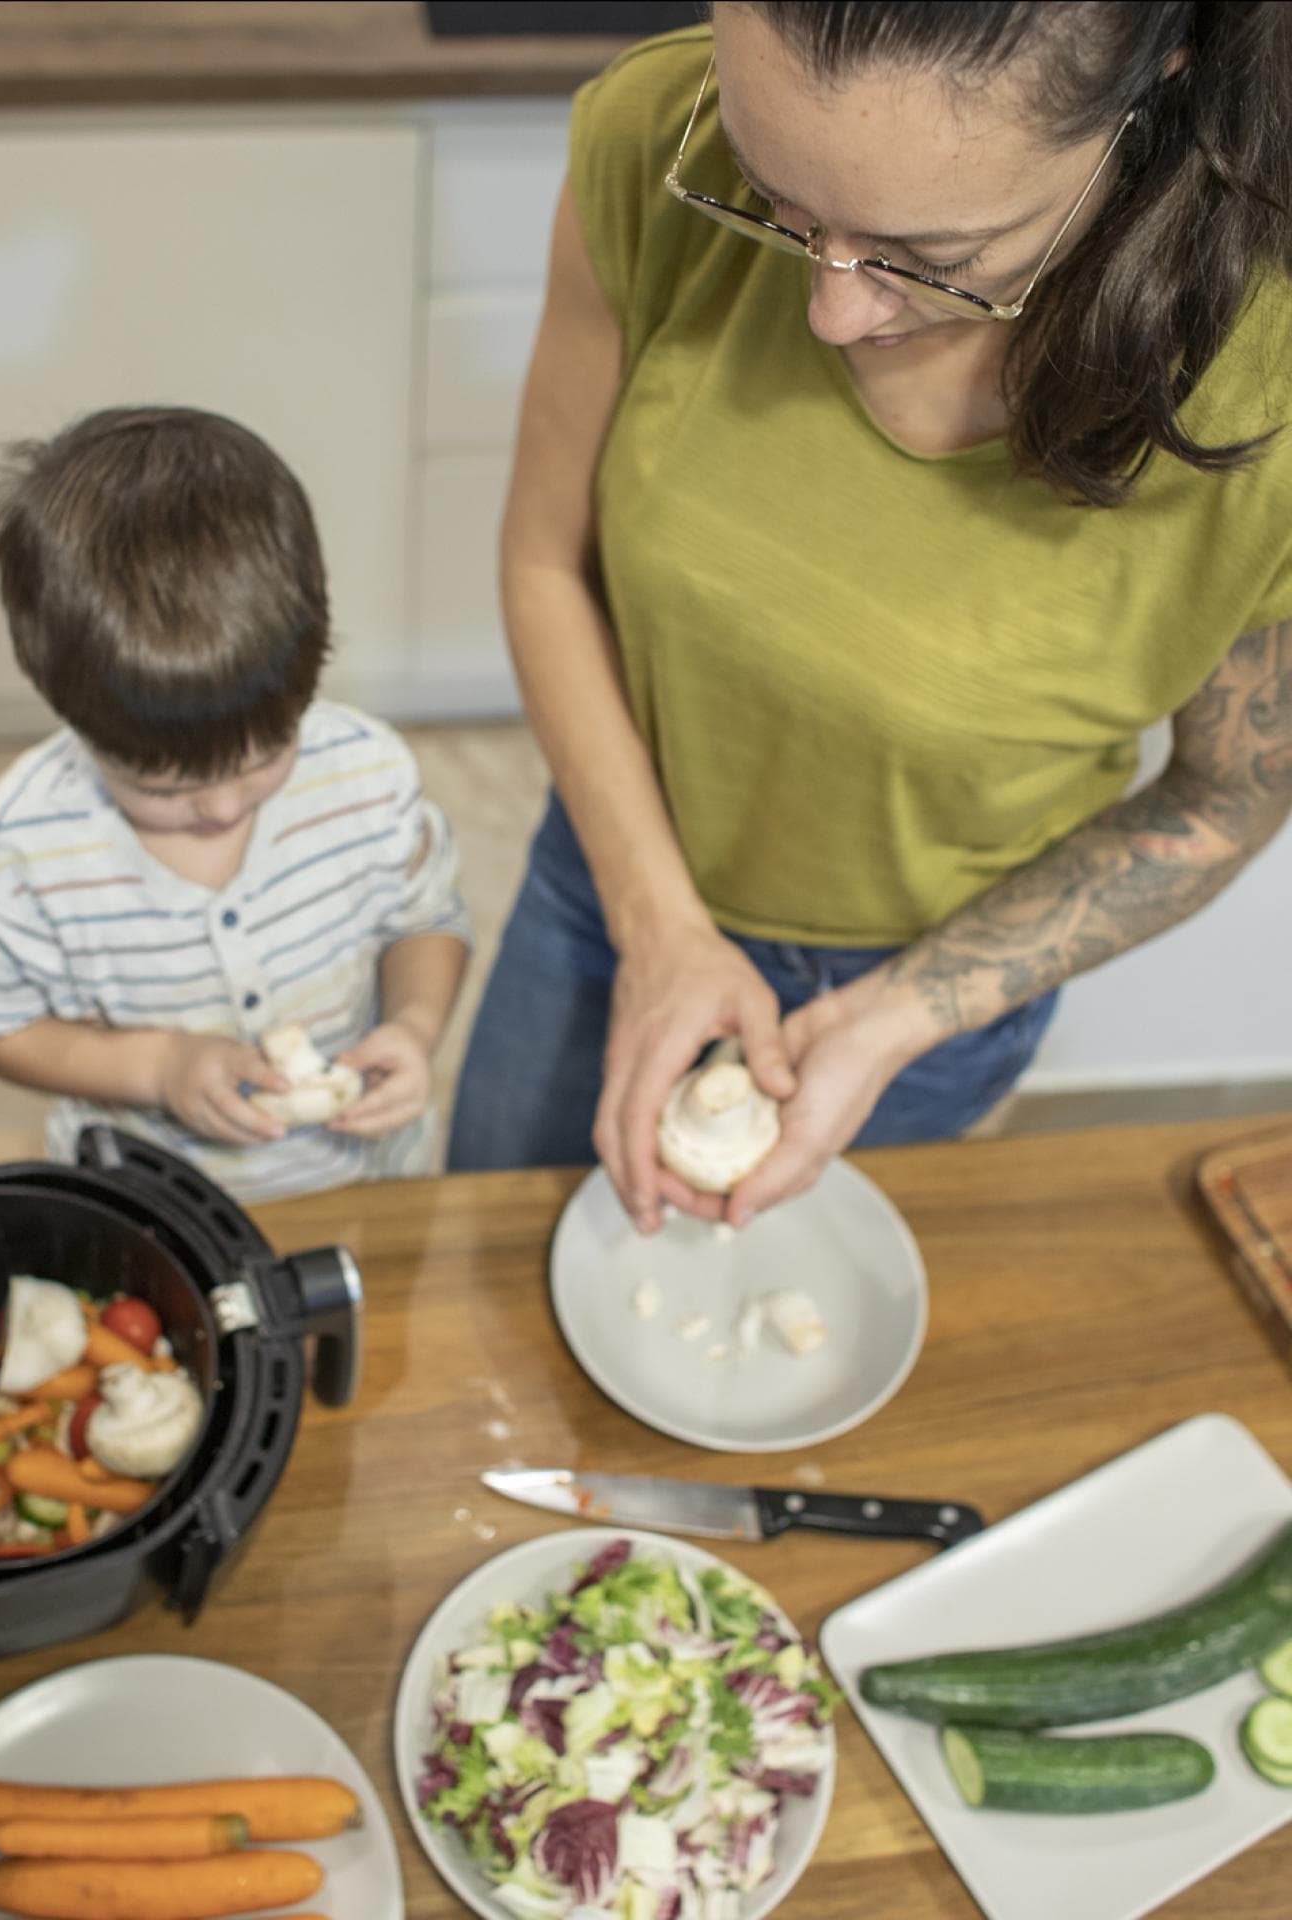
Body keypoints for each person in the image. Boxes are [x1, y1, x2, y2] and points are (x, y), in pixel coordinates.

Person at [448, 1, 1292, 1234]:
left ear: (1149, 90)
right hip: (615, 869)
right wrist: (657, 924)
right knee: (485, 1256)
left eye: (930, 255)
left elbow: (1224, 798)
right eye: (773, 195)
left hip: (927, 992)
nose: (830, 311)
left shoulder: (1267, 391)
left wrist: (905, 1013)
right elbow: (544, 566)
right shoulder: (653, 131)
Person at [0, 405, 471, 1203]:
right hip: (157, 1197)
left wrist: (415, 1027)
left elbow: (426, 923)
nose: (224, 808)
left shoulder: (367, 777)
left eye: (265, 760)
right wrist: (158, 1067)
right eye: (164, 788)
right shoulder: (21, 850)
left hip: (365, 1173)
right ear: (73, 718)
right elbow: (1, 1028)